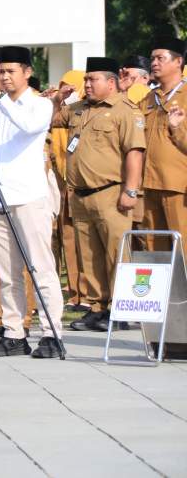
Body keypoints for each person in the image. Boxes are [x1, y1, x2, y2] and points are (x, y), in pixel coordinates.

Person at [0, 46, 64, 358]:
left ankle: (52, 334)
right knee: (6, 273)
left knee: (40, 268)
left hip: (29, 197)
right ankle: (14, 333)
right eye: (0, 71)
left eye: (10, 71)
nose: (4, 77)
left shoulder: (40, 105)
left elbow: (30, 126)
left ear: (27, 72)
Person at [54, 57, 145, 332]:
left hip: (111, 192)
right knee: (89, 254)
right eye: (86, 79)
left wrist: (130, 190)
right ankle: (96, 307)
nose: (87, 84)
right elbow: (49, 120)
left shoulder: (125, 110)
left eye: (93, 79)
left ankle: (120, 308)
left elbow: (134, 152)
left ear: (111, 82)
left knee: (116, 253)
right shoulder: (78, 109)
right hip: (80, 194)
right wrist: (58, 99)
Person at [47, 70, 89, 312]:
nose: (70, 92)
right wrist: (56, 100)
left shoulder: (84, 112)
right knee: (67, 239)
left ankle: (90, 295)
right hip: (61, 181)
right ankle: (75, 293)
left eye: (74, 88)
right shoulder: (64, 113)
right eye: (66, 87)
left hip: (82, 182)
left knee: (83, 242)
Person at [141, 37, 187, 252]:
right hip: (149, 185)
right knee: (155, 250)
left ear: (178, 62)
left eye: (160, 58)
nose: (154, 63)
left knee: (183, 247)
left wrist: (176, 128)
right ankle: (164, 288)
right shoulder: (149, 98)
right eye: (152, 58)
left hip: (178, 187)